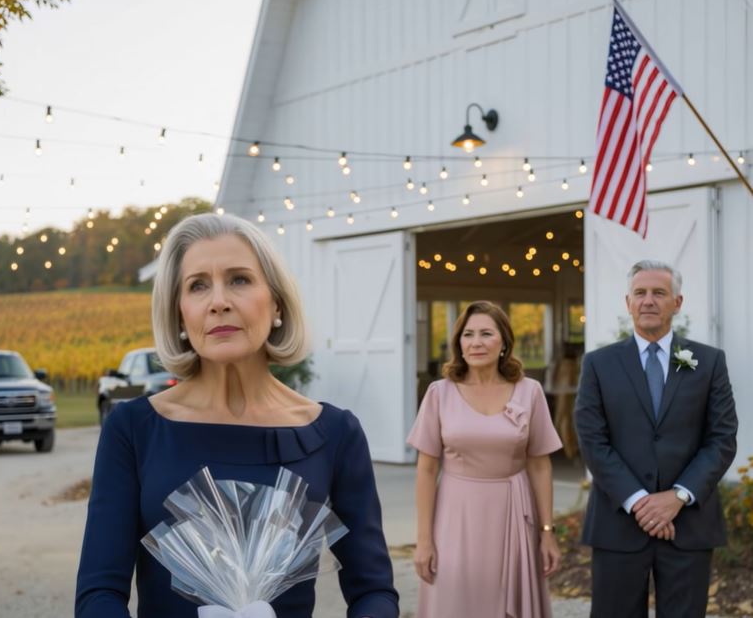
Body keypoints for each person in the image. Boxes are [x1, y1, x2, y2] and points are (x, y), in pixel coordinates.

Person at [75, 213, 398, 618]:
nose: (219, 301)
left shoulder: (335, 433)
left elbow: (374, 592)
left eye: (240, 279)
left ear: (277, 302)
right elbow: (99, 593)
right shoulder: (134, 429)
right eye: (198, 286)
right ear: (180, 314)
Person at [575, 260, 738, 618]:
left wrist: (678, 497)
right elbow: (592, 440)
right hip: (618, 522)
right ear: (628, 302)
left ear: (677, 303)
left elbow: (722, 438)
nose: (648, 301)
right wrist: (639, 501)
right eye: (640, 293)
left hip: (689, 524)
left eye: (659, 293)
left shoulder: (708, 362)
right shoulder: (598, 364)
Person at [407, 301, 562, 618]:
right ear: (459, 344)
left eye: (486, 334)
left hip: (514, 516)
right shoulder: (439, 393)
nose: (476, 342)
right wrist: (423, 540)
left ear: (504, 342)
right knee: (454, 602)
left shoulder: (529, 391)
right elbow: (426, 470)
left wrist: (548, 532)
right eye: (468, 335)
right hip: (454, 516)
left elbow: (540, 465)